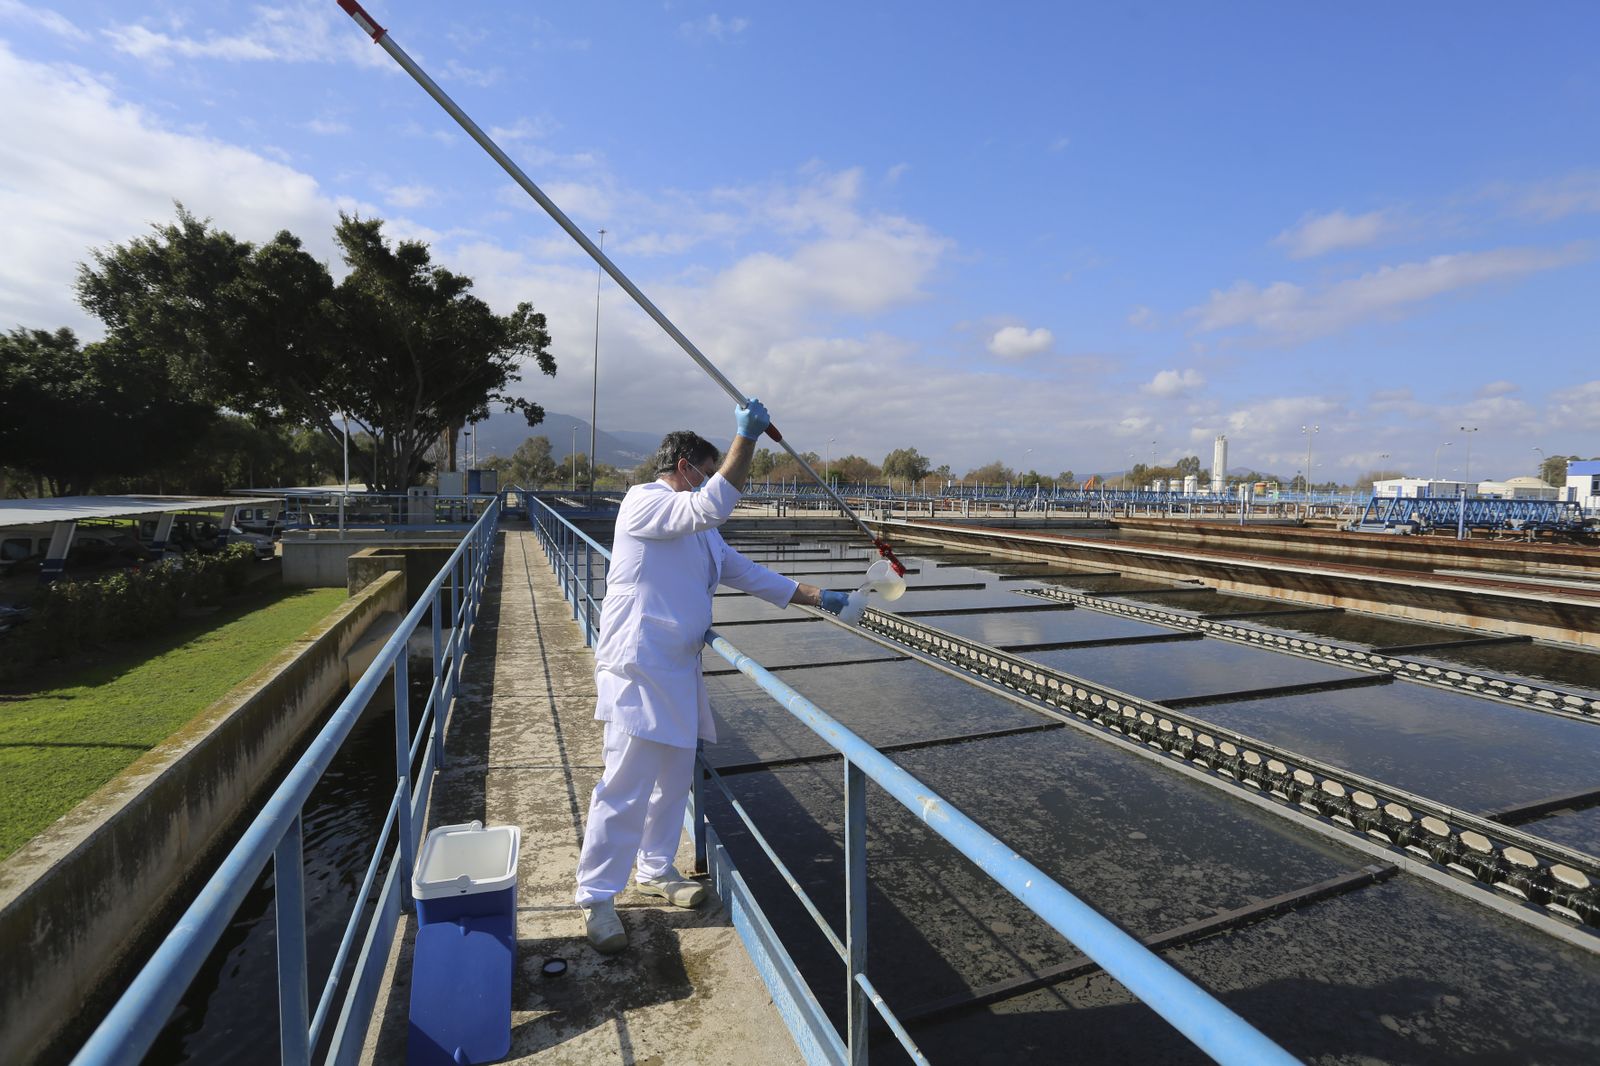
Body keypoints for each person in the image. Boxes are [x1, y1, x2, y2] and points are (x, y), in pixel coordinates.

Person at [574, 399, 851, 953]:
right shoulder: (646, 505)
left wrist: (818, 597)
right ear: (683, 467)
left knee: (673, 782)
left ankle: (655, 872)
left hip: (677, 669)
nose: (710, 479)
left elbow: (740, 570)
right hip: (639, 667)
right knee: (624, 786)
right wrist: (743, 439)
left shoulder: (698, 526)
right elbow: (712, 506)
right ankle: (597, 898)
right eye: (705, 469)